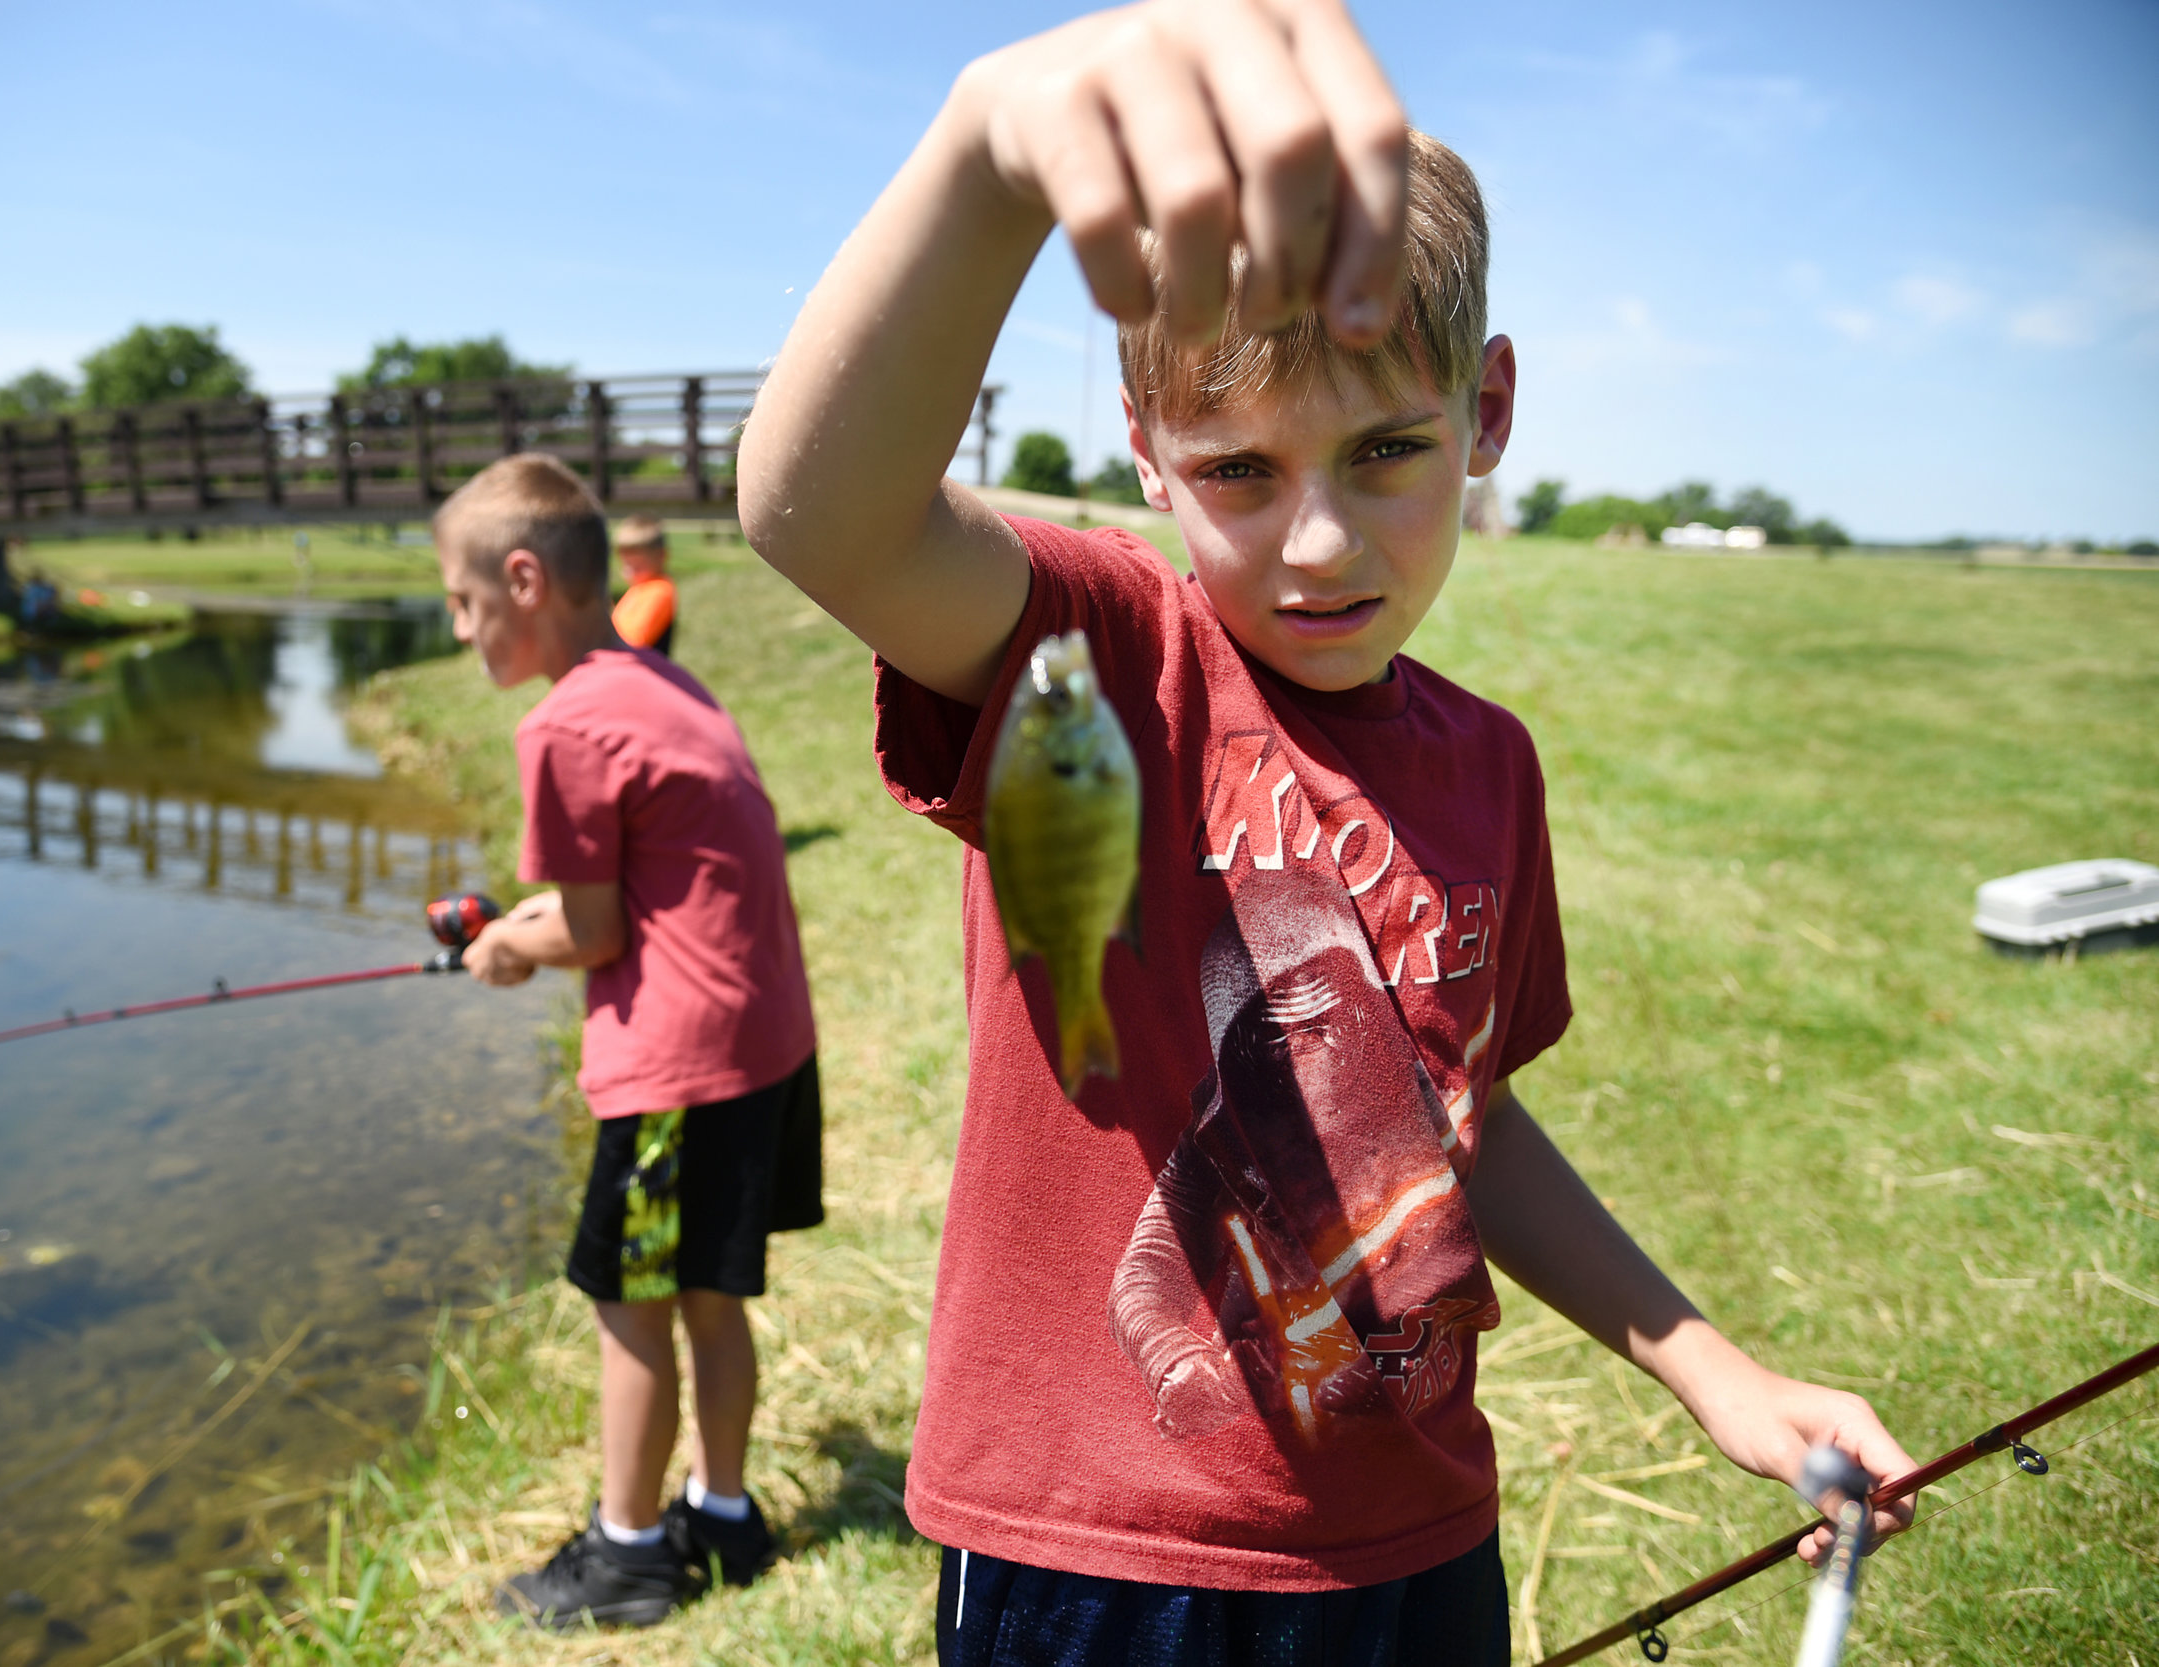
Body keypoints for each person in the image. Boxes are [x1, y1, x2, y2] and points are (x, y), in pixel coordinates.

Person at [733, 5, 1917, 1661]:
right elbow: (815, 506)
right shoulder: (1095, 647)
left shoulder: (1489, 765)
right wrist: (989, 149)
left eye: (1387, 453)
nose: (1317, 541)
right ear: (1145, 452)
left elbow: (1456, 1121)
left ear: (1487, 414)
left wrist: (1714, 1366)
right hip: (1104, 1563)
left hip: (1419, 1547)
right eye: (1236, 468)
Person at [435, 454, 821, 1629]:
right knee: (712, 1290)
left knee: (631, 1305)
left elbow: (593, 926)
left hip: (678, 1068)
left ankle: (630, 1551)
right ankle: (725, 1511)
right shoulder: (664, 679)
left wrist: (503, 946)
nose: (461, 632)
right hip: (765, 1041)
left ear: (522, 578)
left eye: (462, 604)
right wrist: (522, 923)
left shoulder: (564, 723)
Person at [610, 514, 677, 657]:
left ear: (661, 556)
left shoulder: (660, 590)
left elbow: (635, 642)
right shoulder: (637, 589)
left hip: (646, 671)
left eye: (638, 566)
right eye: (627, 564)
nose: (630, 572)